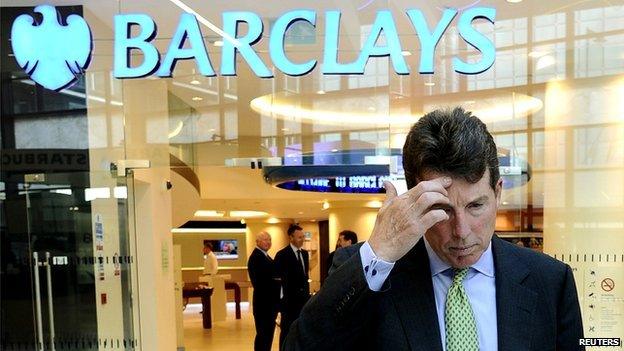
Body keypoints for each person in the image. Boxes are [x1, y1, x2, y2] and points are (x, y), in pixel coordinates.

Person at [284, 107, 584, 350]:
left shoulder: (551, 281)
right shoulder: (371, 273)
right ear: (415, 199)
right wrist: (380, 252)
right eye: (442, 210)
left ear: (498, 192)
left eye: (475, 206)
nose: (461, 230)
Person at [275, 224, 309, 350]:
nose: (302, 239)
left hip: (303, 301)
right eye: (299, 237)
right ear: (291, 238)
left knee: (300, 330)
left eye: (303, 236)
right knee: (286, 330)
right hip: (289, 302)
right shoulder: (282, 255)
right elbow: (278, 279)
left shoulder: (305, 254)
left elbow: (305, 276)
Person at [248, 231, 281, 351]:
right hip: (264, 304)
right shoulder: (256, 257)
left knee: (267, 336)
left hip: (268, 305)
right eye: (265, 240)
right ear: (257, 242)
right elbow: (261, 283)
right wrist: (277, 281)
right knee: (263, 336)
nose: (268, 242)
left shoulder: (265, 256)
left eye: (270, 239)